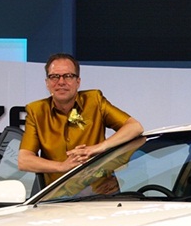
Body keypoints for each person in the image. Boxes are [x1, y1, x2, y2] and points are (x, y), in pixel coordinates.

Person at [18, 53, 144, 186]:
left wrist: (98, 148)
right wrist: (62, 166)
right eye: (54, 77)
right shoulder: (36, 111)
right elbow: (24, 160)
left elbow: (135, 127)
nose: (61, 82)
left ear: (78, 82)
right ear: (47, 83)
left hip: (99, 191)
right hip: (56, 194)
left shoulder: (94, 101)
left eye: (68, 76)